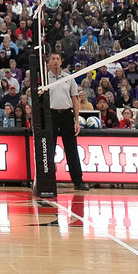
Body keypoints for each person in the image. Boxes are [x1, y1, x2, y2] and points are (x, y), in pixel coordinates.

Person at [45, 53, 89, 191]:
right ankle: (47, 180)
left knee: (71, 149)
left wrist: (76, 120)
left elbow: (75, 99)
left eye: (58, 59)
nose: (56, 61)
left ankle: (78, 181)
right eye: (53, 59)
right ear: (49, 62)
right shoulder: (45, 78)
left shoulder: (68, 78)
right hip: (51, 115)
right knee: (49, 150)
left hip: (66, 115)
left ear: (61, 62)